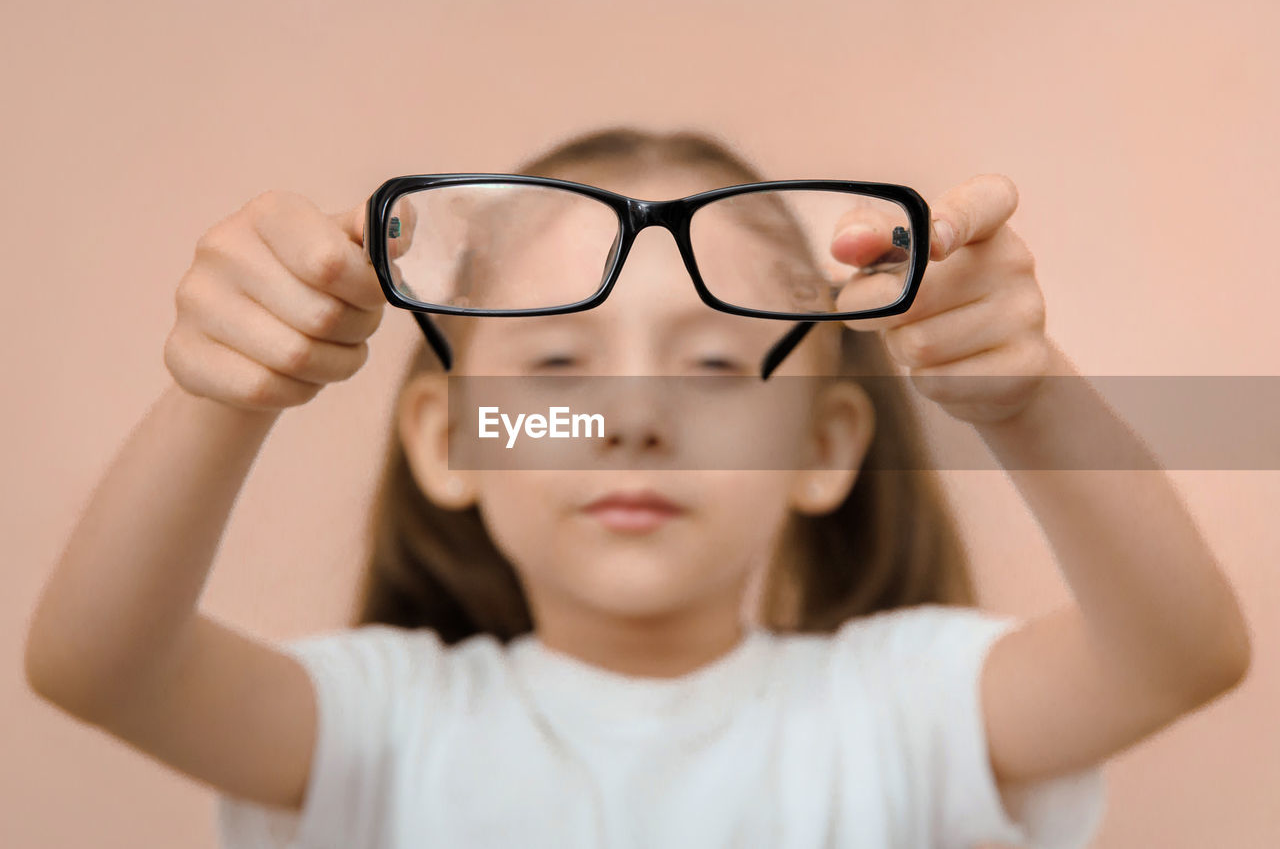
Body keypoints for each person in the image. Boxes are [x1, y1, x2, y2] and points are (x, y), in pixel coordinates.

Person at [24, 127, 1252, 849]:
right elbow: (102, 665)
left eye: (715, 368)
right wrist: (224, 392)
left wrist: (1024, 398)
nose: (631, 424)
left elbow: (1172, 654)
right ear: (448, 439)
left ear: (826, 445)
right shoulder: (383, 726)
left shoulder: (900, 710)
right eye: (558, 368)